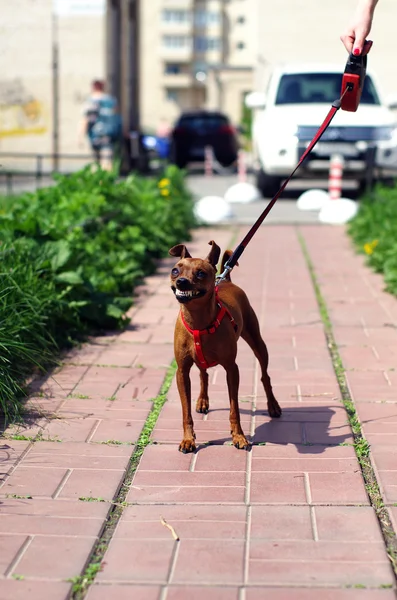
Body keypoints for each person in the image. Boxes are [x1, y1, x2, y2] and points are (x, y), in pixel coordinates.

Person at [79, 80, 122, 171]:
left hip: (94, 134)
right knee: (107, 161)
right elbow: (117, 118)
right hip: (109, 134)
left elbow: (85, 120)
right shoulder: (111, 100)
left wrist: (80, 137)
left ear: (93, 88)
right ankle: (107, 181)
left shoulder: (90, 101)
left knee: (95, 162)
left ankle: (97, 182)